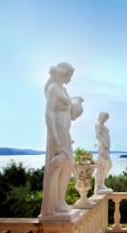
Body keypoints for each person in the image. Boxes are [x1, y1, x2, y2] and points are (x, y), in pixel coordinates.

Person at [40, 62, 83, 217]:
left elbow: (70, 106)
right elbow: (48, 113)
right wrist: (54, 137)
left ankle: (60, 199)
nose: (70, 79)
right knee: (59, 165)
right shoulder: (53, 89)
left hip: (65, 130)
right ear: (62, 73)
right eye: (69, 76)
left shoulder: (62, 88)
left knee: (68, 164)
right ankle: (55, 203)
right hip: (57, 131)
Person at [94, 112, 113, 194]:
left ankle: (101, 184)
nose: (106, 120)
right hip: (103, 148)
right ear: (102, 116)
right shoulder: (98, 124)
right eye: (105, 118)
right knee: (107, 165)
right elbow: (97, 135)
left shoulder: (102, 124)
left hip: (105, 148)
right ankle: (99, 184)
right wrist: (105, 143)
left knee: (103, 166)